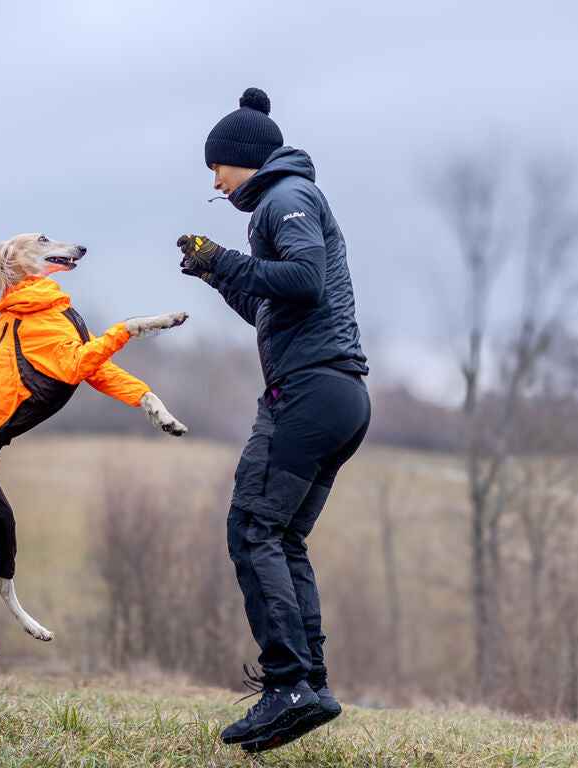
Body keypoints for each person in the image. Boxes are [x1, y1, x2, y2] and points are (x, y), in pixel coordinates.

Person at [177, 87, 371, 753]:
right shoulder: (290, 198)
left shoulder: (285, 197)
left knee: (252, 527)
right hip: (341, 395)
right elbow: (276, 305)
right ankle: (308, 686)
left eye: (218, 167)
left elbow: (305, 279)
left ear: (246, 159)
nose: (215, 181)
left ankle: (287, 684)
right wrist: (216, 274)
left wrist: (227, 259)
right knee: (281, 539)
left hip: (309, 393)